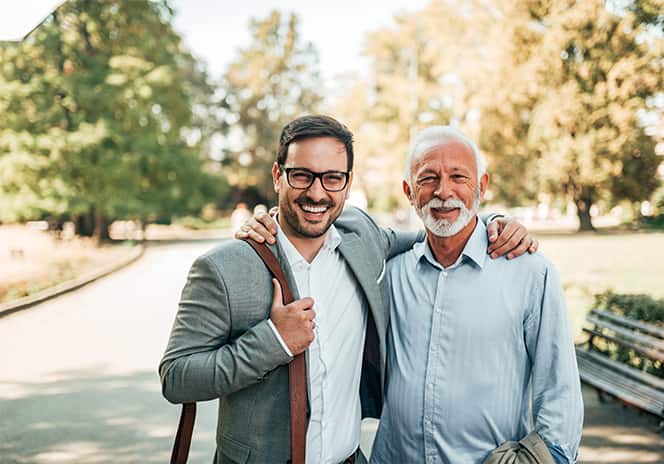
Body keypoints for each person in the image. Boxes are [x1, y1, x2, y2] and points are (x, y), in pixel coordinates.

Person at [160, 115, 536, 464]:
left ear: (348, 183)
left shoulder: (363, 238)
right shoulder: (223, 268)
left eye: (332, 178)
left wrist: (494, 221)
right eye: (301, 175)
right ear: (278, 176)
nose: (317, 193)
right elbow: (176, 377)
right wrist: (271, 342)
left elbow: (437, 227)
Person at [369, 126, 583, 464]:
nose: (443, 191)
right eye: (428, 178)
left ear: (481, 187)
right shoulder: (391, 275)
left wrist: (548, 458)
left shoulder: (530, 273)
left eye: (458, 176)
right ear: (409, 192)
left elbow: (560, 391)